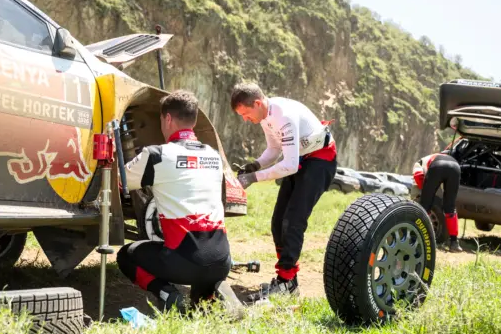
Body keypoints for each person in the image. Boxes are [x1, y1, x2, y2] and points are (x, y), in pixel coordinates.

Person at [116, 90, 231, 313]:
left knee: (126, 256)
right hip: (221, 261)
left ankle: (168, 295)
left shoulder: (157, 155)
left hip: (185, 262)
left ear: (167, 119)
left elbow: (121, 183)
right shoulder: (213, 156)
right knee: (200, 295)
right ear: (194, 120)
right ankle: (208, 294)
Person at [231, 82, 337, 301]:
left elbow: (288, 166)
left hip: (320, 160)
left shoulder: (283, 115)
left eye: (245, 113)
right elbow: (273, 149)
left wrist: (253, 178)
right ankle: (288, 281)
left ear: (257, 103)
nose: (245, 119)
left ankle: (286, 282)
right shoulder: (264, 115)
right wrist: (255, 165)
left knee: (292, 221)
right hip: (301, 158)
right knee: (278, 222)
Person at [413, 152, 463, 252]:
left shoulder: (418, 163)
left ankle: (416, 239)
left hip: (437, 166)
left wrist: (427, 193)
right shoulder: (440, 156)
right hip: (455, 167)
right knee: (450, 208)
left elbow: (418, 176)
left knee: (425, 206)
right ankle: (454, 243)